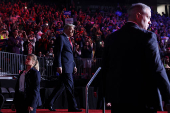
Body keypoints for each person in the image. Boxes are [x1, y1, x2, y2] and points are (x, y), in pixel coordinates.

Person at [102, 3, 170, 113]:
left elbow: (105, 68)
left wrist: (104, 95)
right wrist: (168, 98)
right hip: (143, 101)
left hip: (118, 101)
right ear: (138, 16)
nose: (150, 21)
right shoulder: (148, 36)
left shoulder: (111, 38)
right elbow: (158, 69)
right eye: (148, 17)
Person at [45, 24, 82, 112]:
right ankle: (72, 106)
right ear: (65, 30)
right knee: (70, 86)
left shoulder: (69, 40)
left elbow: (70, 54)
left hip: (69, 66)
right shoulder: (61, 38)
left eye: (73, 30)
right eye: (71, 30)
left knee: (61, 86)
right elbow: (58, 53)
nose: (73, 31)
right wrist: (59, 65)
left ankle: (49, 102)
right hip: (64, 67)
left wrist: (74, 65)